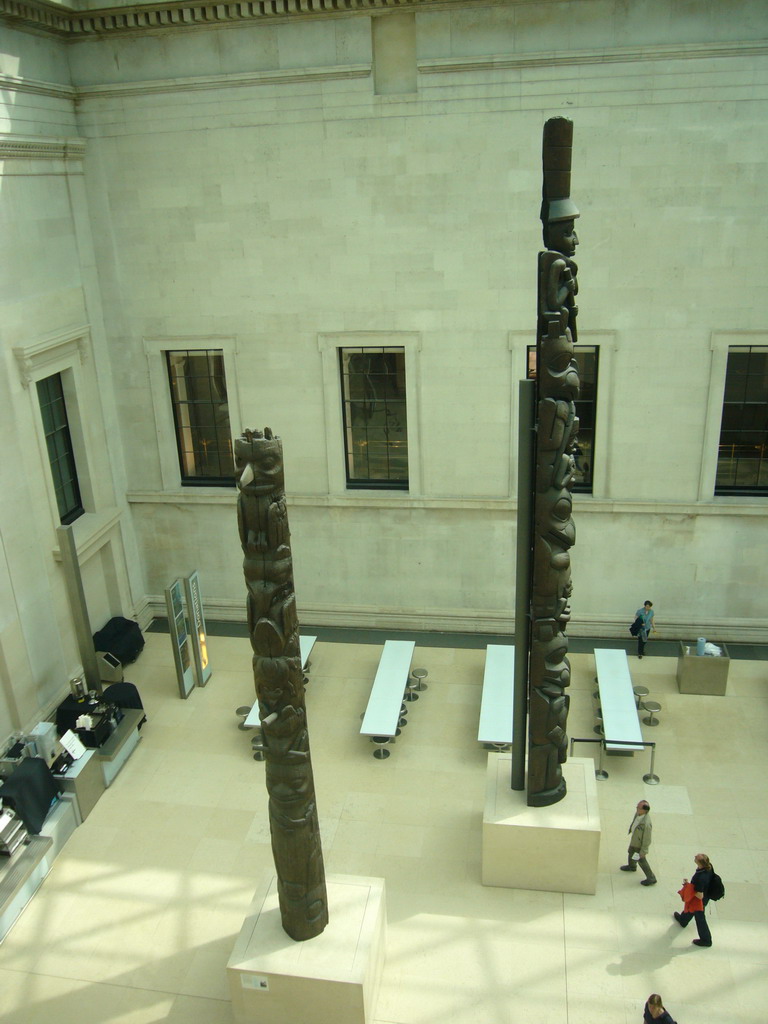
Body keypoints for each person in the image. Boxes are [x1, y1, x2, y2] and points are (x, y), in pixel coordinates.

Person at [674, 852, 713, 947]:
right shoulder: (709, 867)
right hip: (706, 895)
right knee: (689, 909)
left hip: (699, 901)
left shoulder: (700, 878)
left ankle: (706, 940)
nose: (695, 856)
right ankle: (683, 920)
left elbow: (700, 895)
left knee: (700, 918)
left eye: (697, 857)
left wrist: (689, 888)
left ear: (700, 863)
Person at [620, 799, 656, 885]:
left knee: (641, 860)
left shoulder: (646, 824)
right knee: (630, 852)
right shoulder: (638, 814)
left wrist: (643, 851)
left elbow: (647, 839)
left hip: (639, 845)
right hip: (635, 839)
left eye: (638, 808)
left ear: (645, 810)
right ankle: (632, 866)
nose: (636, 809)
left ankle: (651, 878)